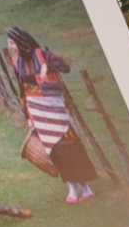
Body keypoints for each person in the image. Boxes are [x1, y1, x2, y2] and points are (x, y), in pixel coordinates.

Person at [7, 27, 99, 204]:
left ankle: (86, 188)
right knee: (55, 150)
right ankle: (72, 188)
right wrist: (28, 114)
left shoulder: (41, 54)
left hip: (55, 108)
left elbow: (65, 67)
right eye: (9, 43)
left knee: (70, 145)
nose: (11, 47)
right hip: (37, 110)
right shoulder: (15, 61)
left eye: (12, 43)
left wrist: (47, 66)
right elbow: (22, 89)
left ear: (21, 42)